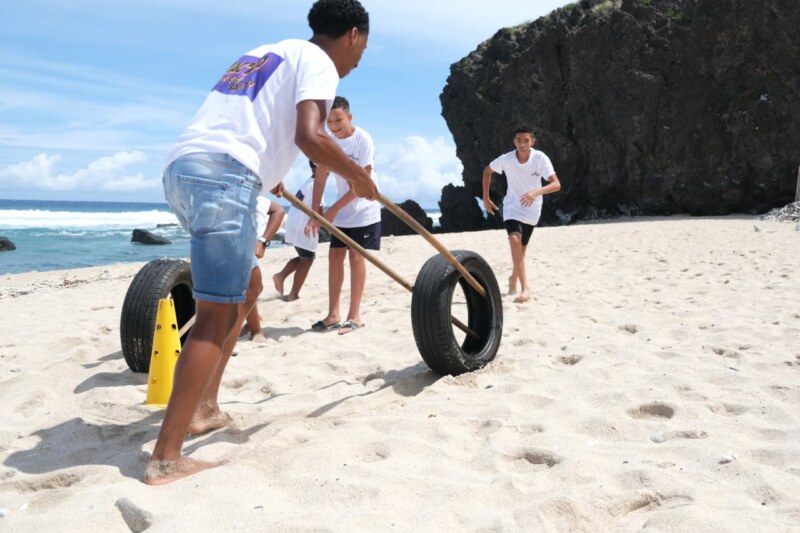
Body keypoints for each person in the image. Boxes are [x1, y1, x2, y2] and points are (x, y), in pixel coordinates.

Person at [147, 0, 376, 486]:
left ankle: (205, 406)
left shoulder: (263, 53)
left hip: (185, 170)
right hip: (225, 178)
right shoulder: (319, 62)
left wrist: (267, 176)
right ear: (353, 34)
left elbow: (252, 124)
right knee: (214, 315)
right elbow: (310, 137)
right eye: (362, 48)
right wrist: (358, 176)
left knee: (246, 292)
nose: (359, 61)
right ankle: (167, 456)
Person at [309, 96, 380, 335]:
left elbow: (363, 183)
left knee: (356, 258)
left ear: (349, 117)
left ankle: (355, 316)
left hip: (364, 207)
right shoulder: (327, 143)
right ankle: (333, 314)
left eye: (338, 119)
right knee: (334, 257)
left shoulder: (362, 139)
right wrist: (314, 213)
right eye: (329, 121)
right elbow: (320, 179)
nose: (334, 125)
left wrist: (332, 209)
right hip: (342, 210)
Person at [482, 125, 561, 303]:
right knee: (515, 241)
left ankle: (513, 278)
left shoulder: (540, 158)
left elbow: (556, 184)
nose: (522, 144)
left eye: (526, 140)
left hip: (533, 208)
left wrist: (535, 192)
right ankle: (525, 287)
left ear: (533, 141)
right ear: (514, 142)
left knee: (521, 250)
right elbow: (487, 171)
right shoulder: (507, 159)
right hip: (512, 207)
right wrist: (485, 198)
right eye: (519, 140)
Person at [272, 160, 327, 301]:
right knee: (307, 259)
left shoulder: (310, 182)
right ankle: (293, 293)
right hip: (302, 225)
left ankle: (281, 276)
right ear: (315, 168)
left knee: (304, 257)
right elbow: (319, 210)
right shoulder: (316, 184)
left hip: (295, 223)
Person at [242, 196, 285, 344]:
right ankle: (254, 327)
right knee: (252, 288)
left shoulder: (252, 196)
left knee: (253, 288)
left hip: (247, 244)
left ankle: (255, 329)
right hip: (227, 245)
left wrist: (263, 242)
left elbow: (279, 211)